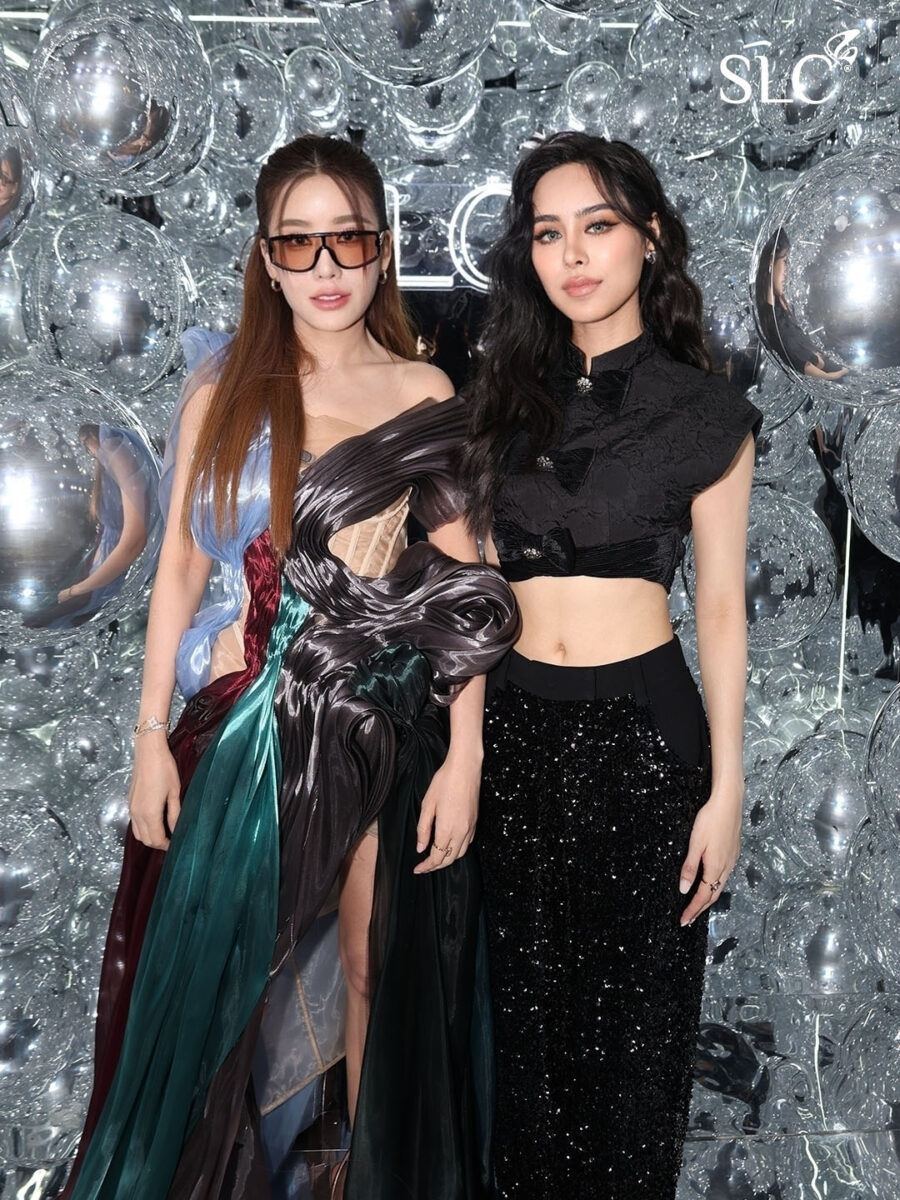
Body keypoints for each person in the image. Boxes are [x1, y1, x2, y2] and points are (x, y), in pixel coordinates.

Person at [61, 133, 517, 1200]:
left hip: (384, 730)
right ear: (266, 261)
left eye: (347, 239)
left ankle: (359, 1181)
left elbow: (472, 587)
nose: (325, 267)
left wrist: (466, 758)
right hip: (249, 733)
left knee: (371, 971)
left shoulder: (422, 388)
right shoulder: (223, 390)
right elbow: (180, 568)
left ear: (381, 249)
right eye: (298, 243)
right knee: (219, 994)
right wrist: (148, 740)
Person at [462, 131, 762, 1198]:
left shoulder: (707, 411)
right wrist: (463, 754)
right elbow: (470, 589)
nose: (575, 254)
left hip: (647, 743)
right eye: (549, 233)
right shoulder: (494, 402)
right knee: (523, 1062)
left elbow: (719, 608)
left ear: (651, 236)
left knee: (634, 1064)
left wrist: (727, 788)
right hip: (514, 738)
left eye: (597, 225)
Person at [755, 228, 850, 380]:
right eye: (785, 262)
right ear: (771, 260)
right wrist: (844, 371)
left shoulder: (781, 308)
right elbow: (827, 377)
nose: (787, 271)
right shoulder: (775, 324)